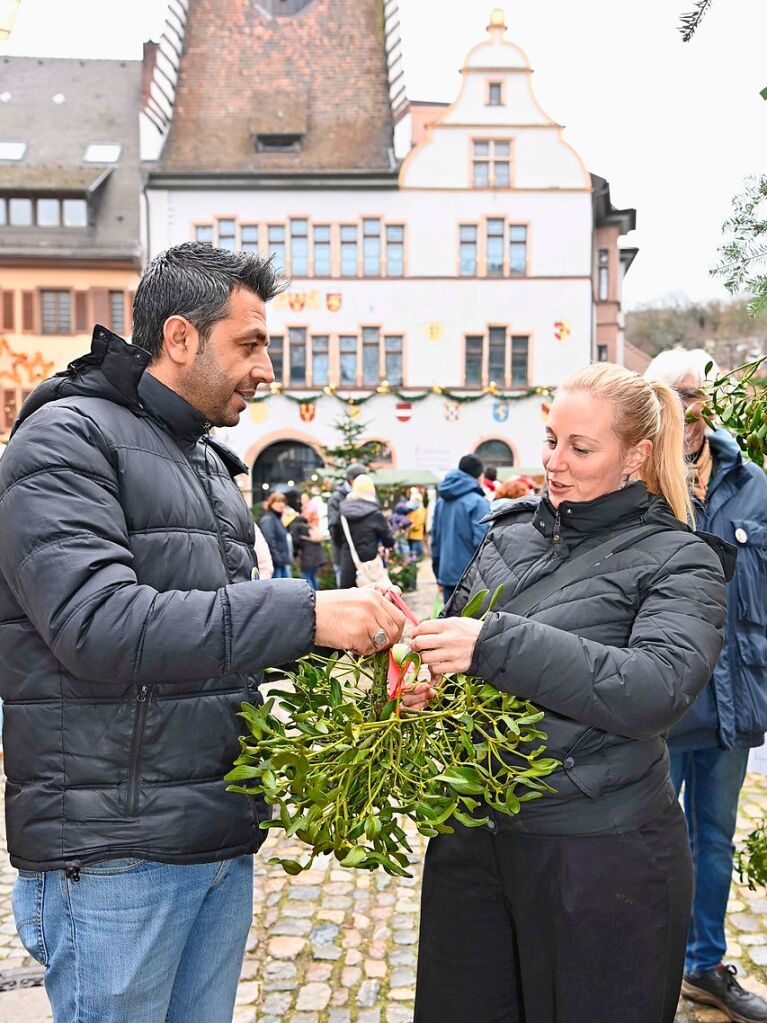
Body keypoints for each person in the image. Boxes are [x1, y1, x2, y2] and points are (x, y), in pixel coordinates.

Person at [0, 241, 406, 1023]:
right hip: (114, 853)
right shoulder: (64, 440)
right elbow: (99, 626)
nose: (265, 368)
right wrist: (304, 611)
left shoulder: (208, 464)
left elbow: (217, 639)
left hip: (212, 832)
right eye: (249, 344)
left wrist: (354, 649)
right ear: (180, 338)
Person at [409, 362, 731, 1023]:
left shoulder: (680, 558)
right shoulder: (506, 533)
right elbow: (467, 663)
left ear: (635, 456)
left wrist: (491, 645)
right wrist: (431, 687)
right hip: (474, 845)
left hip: (599, 862)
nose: (554, 461)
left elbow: (655, 687)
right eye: (551, 439)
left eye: (579, 448)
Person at [645, 348, 767, 1023]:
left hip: (732, 705)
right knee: (646, 839)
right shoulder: (639, 481)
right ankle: (640, 962)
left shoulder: (754, 485)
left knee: (713, 838)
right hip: (660, 706)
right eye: (675, 394)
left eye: (696, 394)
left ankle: (703, 963)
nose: (688, 408)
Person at [430, 453, 490, 605]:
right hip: (471, 578)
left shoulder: (441, 502)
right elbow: (482, 543)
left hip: (447, 574)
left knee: (449, 623)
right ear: (479, 475)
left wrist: (439, 575)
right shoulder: (478, 502)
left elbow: (435, 541)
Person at [331, 474, 395, 589]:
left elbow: (335, 536)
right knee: (371, 600)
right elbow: (388, 540)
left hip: (347, 564)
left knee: (348, 599)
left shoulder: (342, 512)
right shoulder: (375, 514)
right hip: (369, 566)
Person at [327, 462, 367, 586]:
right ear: (351, 479)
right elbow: (333, 528)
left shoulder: (365, 495)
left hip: (362, 555)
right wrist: (345, 545)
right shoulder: (336, 498)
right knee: (345, 594)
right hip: (342, 554)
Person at [290, 502, 327, 591]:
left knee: (306, 577)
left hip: (308, 556)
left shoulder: (296, 526)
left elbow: (296, 542)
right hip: (317, 556)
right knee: (312, 576)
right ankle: (318, 596)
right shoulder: (308, 526)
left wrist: (295, 553)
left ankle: (311, 597)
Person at [258, 491, 293, 577]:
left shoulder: (278, 519)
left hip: (282, 563)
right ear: (271, 503)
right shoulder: (268, 519)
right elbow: (269, 542)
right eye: (278, 502)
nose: (281, 505)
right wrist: (277, 560)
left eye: (283, 502)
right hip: (275, 565)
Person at [406, 488, 428, 560]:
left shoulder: (421, 510)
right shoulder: (411, 509)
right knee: (411, 555)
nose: (413, 502)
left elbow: (419, 523)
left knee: (416, 556)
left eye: (415, 500)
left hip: (416, 536)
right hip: (409, 535)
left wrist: (410, 526)